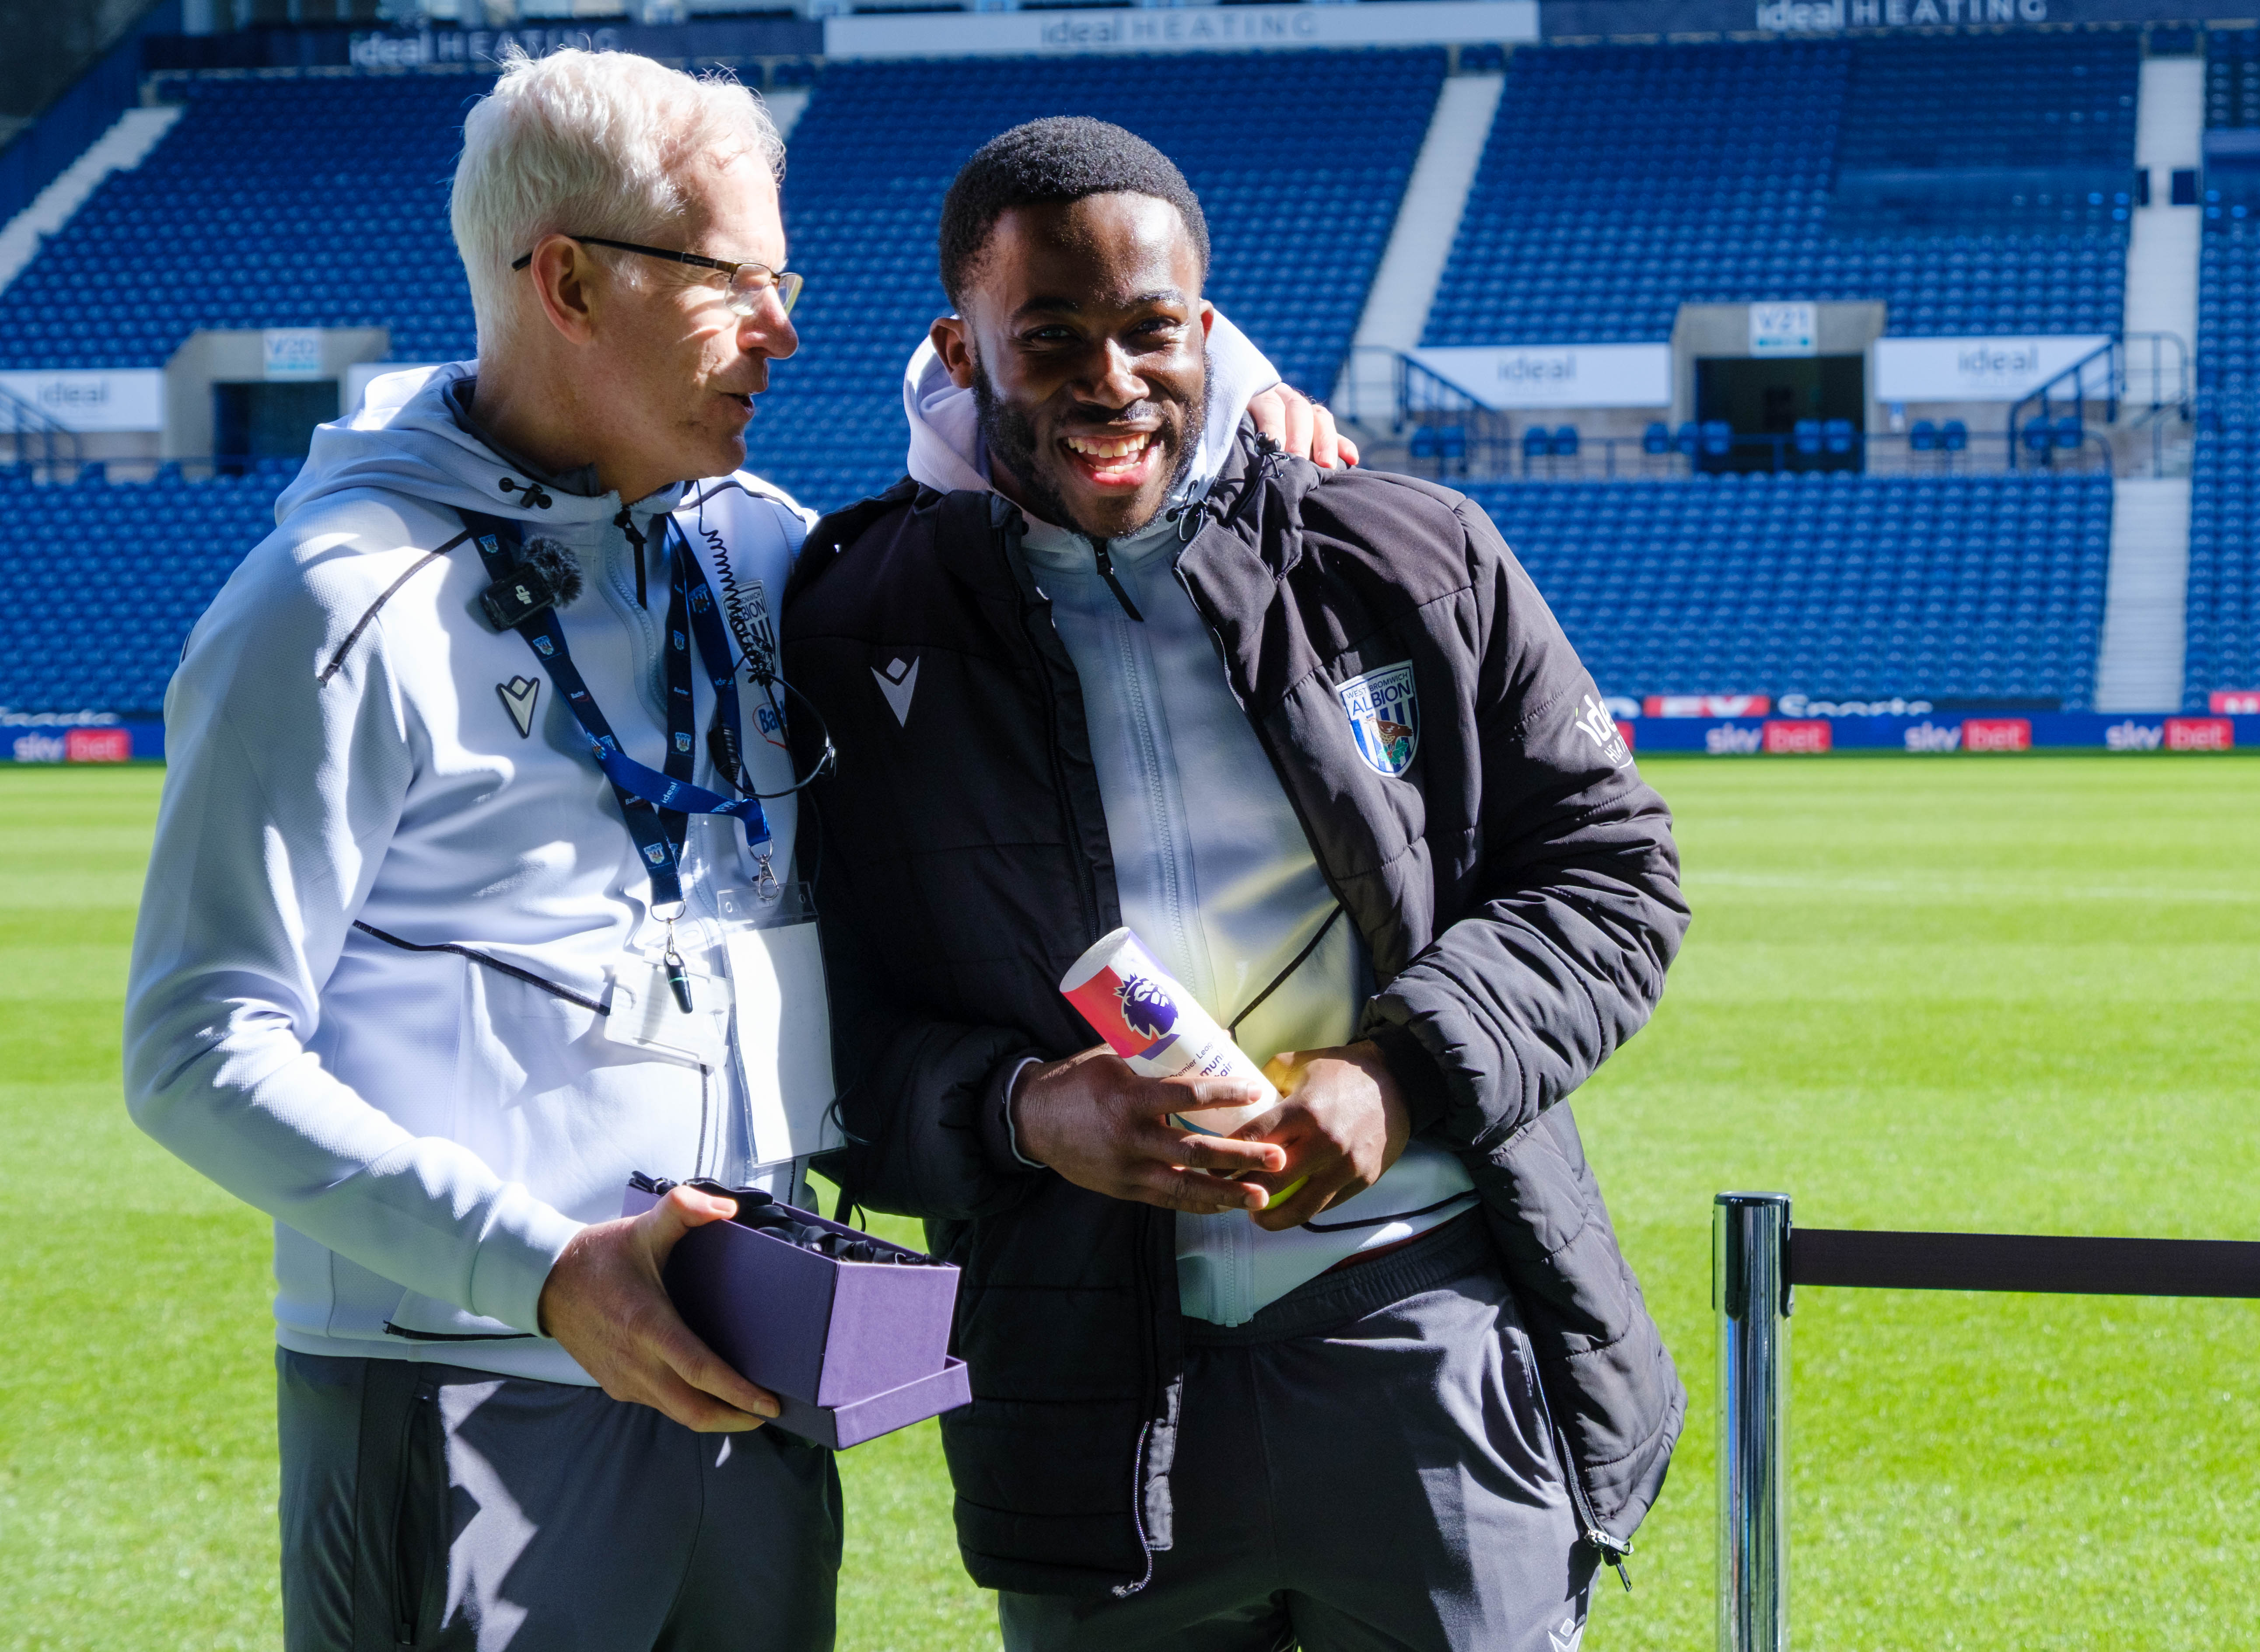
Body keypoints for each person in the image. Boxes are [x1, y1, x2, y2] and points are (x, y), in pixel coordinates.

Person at [122, 54, 1343, 1652]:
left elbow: (1015, 487)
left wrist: (1245, 412)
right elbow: (193, 1047)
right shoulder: (331, 612)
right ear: (564, 278)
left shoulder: (754, 542)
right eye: (733, 283)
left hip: (755, 1376)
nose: (781, 329)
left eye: (788, 281)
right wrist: (548, 1270)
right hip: (470, 1376)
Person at [781, 118, 1691, 1652]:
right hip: (1083, 1398)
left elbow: (1611, 877)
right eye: (1049, 335)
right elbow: (824, 1028)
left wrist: (1397, 1076)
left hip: (1429, 1345)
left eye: (1149, 331)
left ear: (1207, 330)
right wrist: (1021, 1111)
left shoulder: (1409, 556)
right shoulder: (854, 623)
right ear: (961, 345)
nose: (1110, 379)